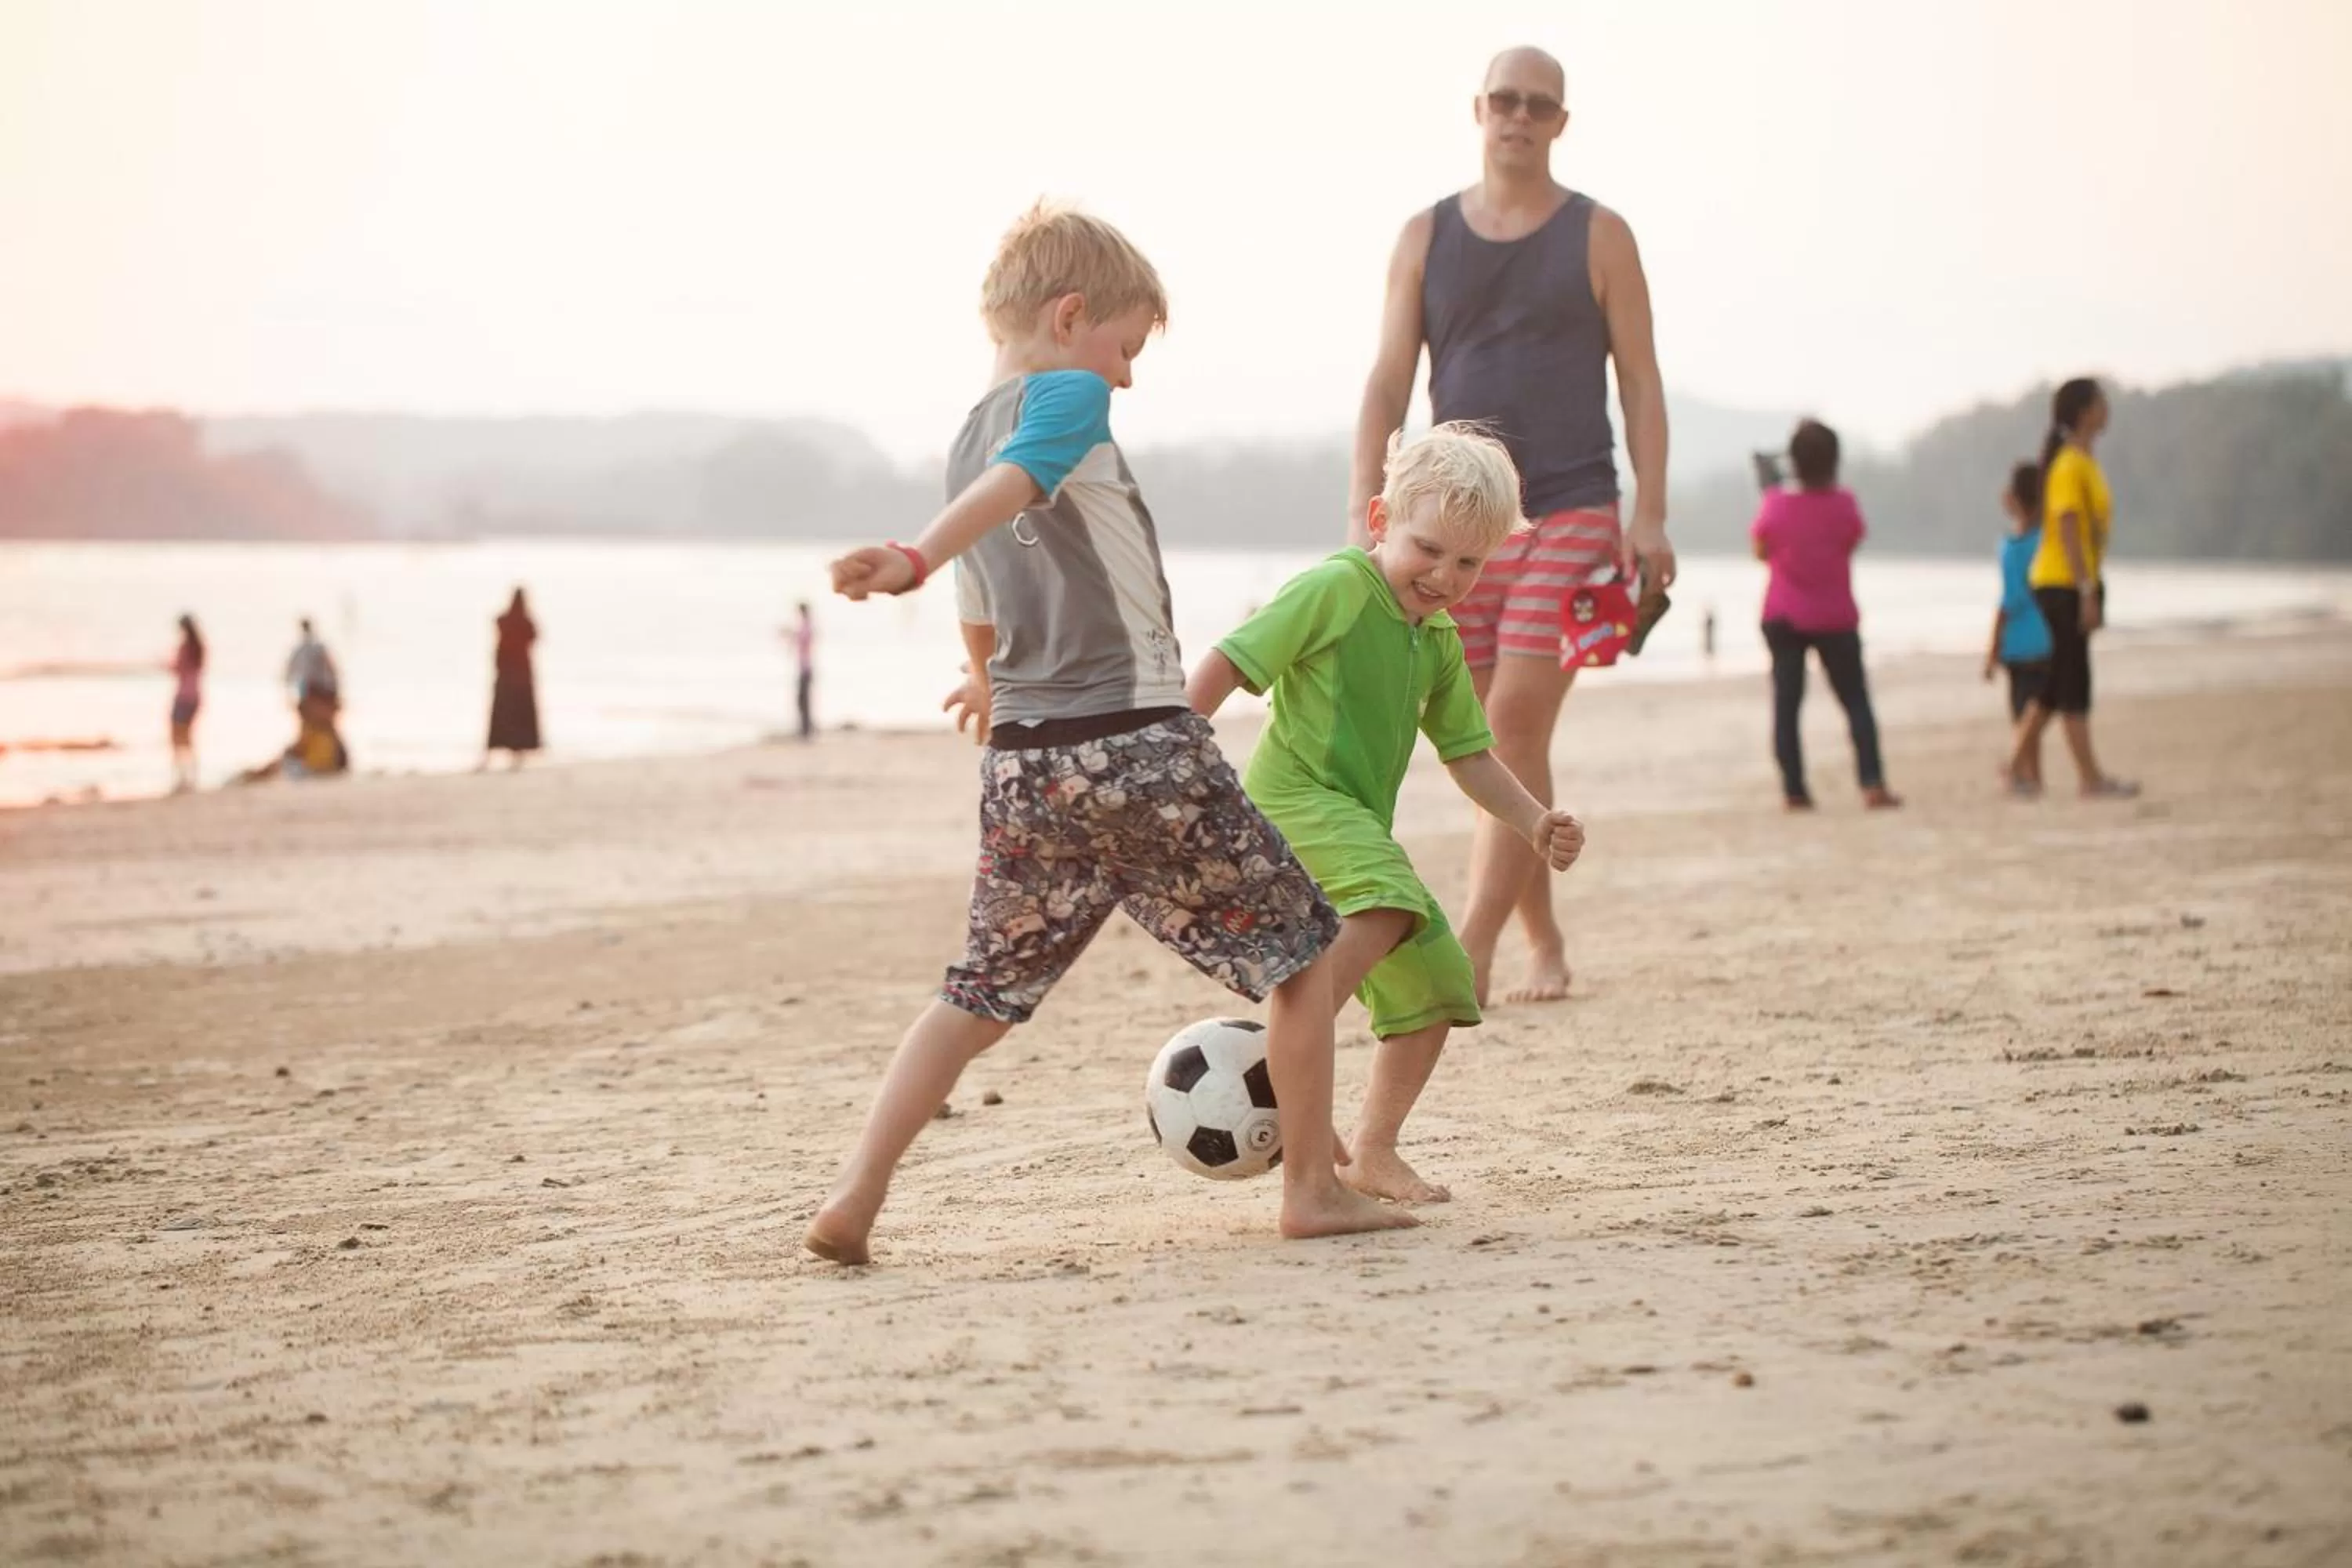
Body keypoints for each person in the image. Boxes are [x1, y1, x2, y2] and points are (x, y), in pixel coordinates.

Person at [804, 202, 1415, 1265]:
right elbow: (1017, 492)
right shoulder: (1065, 398)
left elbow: (991, 583)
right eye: (1127, 347)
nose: (1126, 378)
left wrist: (983, 679)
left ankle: (855, 1199)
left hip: (1027, 769)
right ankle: (1312, 1187)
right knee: (1305, 962)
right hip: (1140, 747)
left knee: (976, 994)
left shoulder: (963, 435)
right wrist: (912, 558)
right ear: (1072, 315)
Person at [1352, 45, 1676, 1006]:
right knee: (1490, 743)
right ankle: (1548, 942)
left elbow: (1642, 380)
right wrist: (1365, 505)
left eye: (1539, 105)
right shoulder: (1423, 235)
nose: (1519, 117)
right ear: (1478, 108)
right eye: (1505, 100)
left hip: (1575, 505)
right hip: (1462, 522)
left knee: (1514, 721)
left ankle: (1475, 945)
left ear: (1560, 122)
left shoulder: (1600, 234)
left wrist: (1648, 514)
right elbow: (1385, 381)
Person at [1188, 425, 1584, 1205]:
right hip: (1293, 798)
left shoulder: (1436, 637)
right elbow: (1231, 660)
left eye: (1469, 561)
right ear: (1379, 521)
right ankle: (1284, 1062)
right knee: (1392, 900)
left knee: (1439, 978)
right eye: (1428, 548)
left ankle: (1371, 1149)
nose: (1444, 575)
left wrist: (1533, 820)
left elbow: (1470, 755)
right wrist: (1178, 753)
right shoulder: (1335, 587)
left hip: (1350, 819)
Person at [1751, 419, 1899, 811]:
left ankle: (1794, 790)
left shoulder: (1776, 502)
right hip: (1834, 614)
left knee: (1787, 704)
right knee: (1855, 701)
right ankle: (1872, 783)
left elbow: (1762, 552)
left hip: (1783, 613)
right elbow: (1851, 543)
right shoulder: (1844, 503)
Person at [2007, 379, 2137, 798]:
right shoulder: (2068, 465)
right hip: (2061, 583)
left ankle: (2015, 765)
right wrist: (2085, 590)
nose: (2107, 410)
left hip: (2074, 581)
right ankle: (2089, 777)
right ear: (2083, 411)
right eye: (2101, 402)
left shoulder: (2083, 460)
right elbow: (2065, 527)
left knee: (2057, 682)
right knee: (2073, 680)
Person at [1984, 461, 2053, 793]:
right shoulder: (2047, 542)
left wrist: (1992, 648)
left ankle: (2026, 774)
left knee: (2023, 713)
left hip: (2017, 643)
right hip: (2046, 637)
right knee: (2037, 711)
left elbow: (2007, 603)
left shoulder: (2010, 549)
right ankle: (2028, 774)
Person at [482, 587, 541, 769]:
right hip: (519, 677)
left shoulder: (505, 620)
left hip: (508, 676)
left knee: (505, 717)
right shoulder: (523, 622)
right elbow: (535, 637)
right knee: (516, 717)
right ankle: (515, 755)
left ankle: (497, 756)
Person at [285, 617, 339, 733]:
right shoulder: (316, 647)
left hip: (313, 688)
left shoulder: (302, 649)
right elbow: (331, 668)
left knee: (313, 720)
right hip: (317, 688)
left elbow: (290, 672)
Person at [168, 614, 204, 793]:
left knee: (177, 738)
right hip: (196, 696)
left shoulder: (186, 648)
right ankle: (192, 777)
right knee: (188, 738)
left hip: (183, 697)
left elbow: (177, 669)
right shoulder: (200, 648)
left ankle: (183, 778)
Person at [787, 601, 816, 740]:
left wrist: (790, 636)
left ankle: (806, 731)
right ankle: (805, 729)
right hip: (805, 667)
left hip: (805, 668)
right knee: (803, 700)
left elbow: (801, 639)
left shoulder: (806, 627)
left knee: (803, 700)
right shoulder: (806, 626)